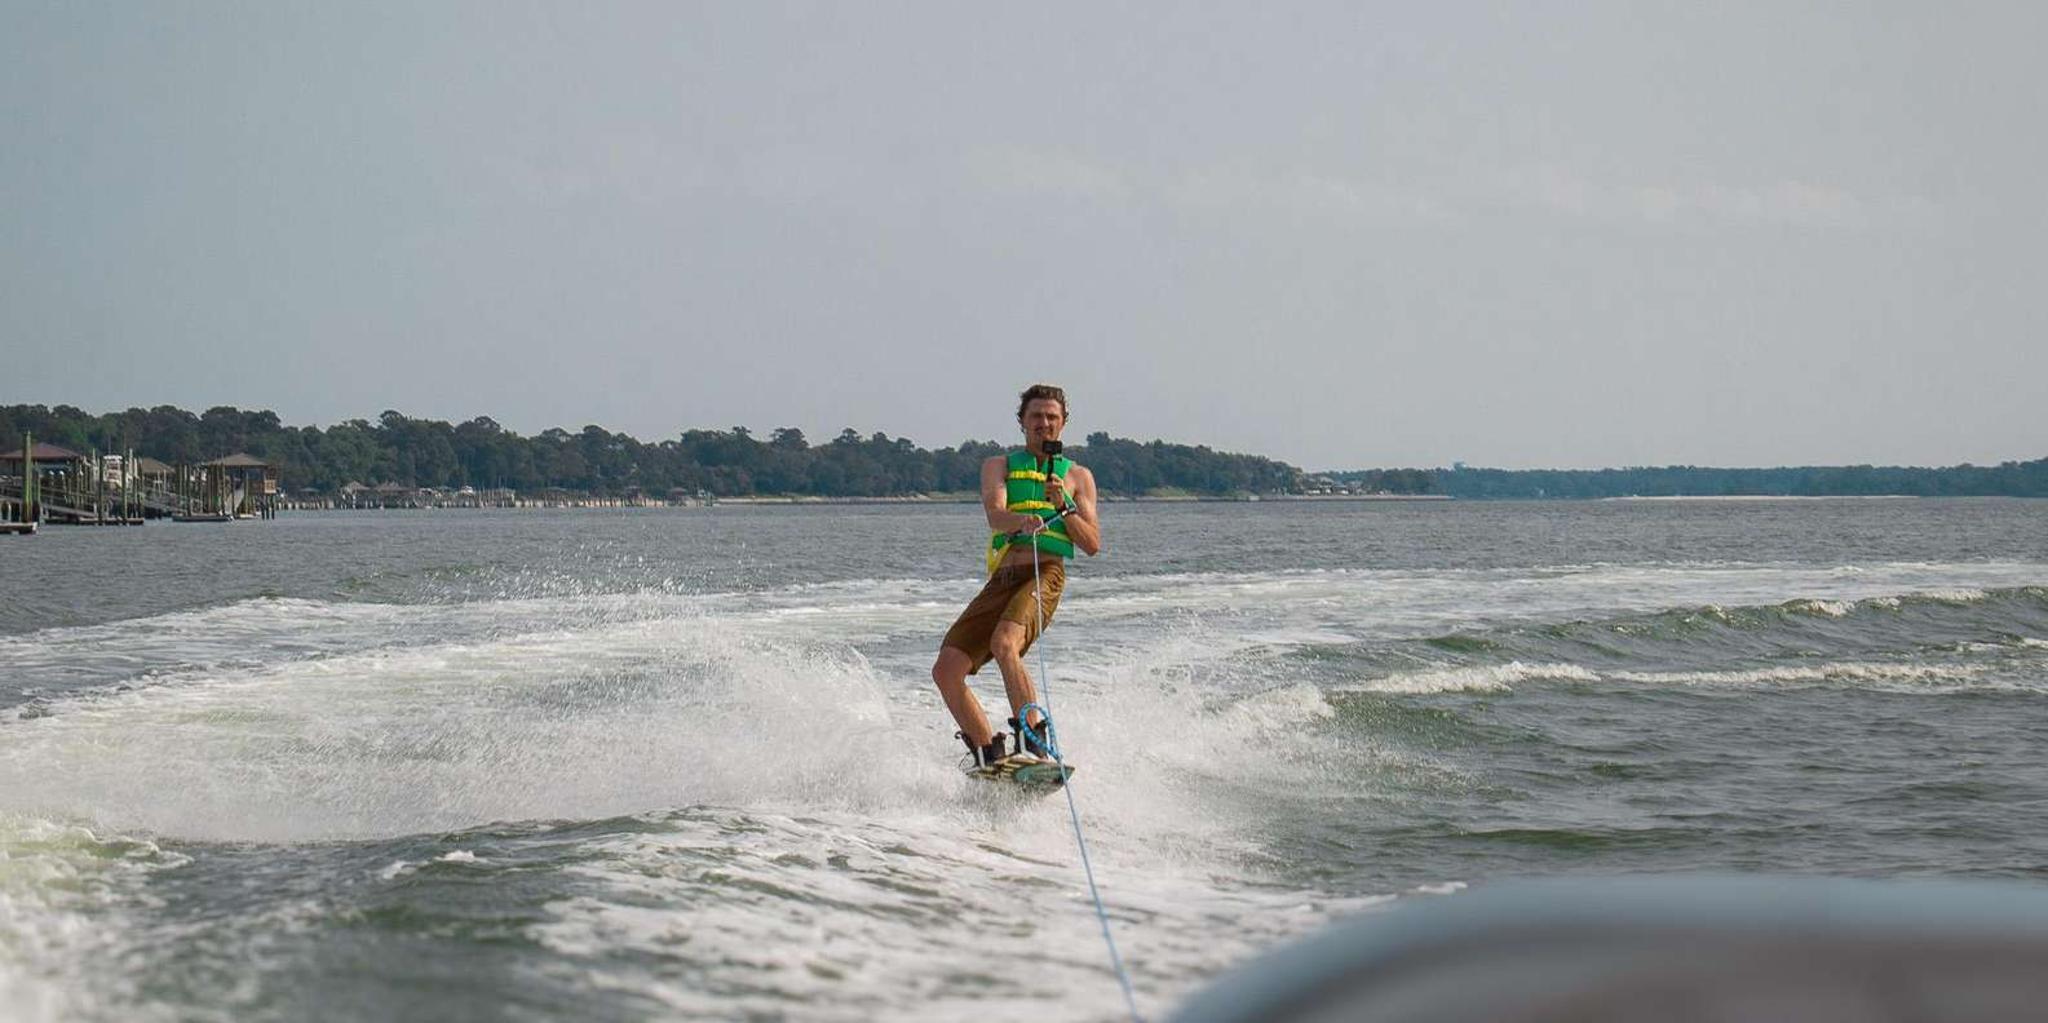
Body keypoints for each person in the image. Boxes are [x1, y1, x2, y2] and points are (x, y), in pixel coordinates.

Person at [931, 383, 1103, 769]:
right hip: (1003, 578)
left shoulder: (1078, 476)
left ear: (1063, 423)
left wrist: (1066, 507)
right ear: (1022, 422)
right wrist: (1022, 520)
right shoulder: (999, 466)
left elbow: (1092, 543)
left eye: (1051, 417)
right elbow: (996, 513)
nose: (1044, 424)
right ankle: (987, 752)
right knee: (946, 669)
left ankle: (1035, 737)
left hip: (1046, 573)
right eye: (1036, 417)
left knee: (1004, 642)